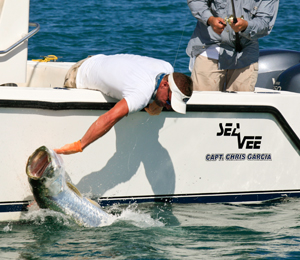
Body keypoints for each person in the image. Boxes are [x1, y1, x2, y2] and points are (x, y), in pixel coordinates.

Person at [54, 54, 193, 155]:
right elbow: (109, 118)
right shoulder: (141, 93)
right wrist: (80, 145)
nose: (168, 107)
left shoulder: (166, 67)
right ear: (164, 84)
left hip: (94, 59)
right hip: (77, 76)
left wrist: (158, 103)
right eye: (169, 102)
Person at [186, 0, 279, 92]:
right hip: (209, 49)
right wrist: (210, 19)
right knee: (203, 104)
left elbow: (264, 23)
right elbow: (196, 1)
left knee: (241, 105)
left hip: (245, 56)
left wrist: (246, 26)